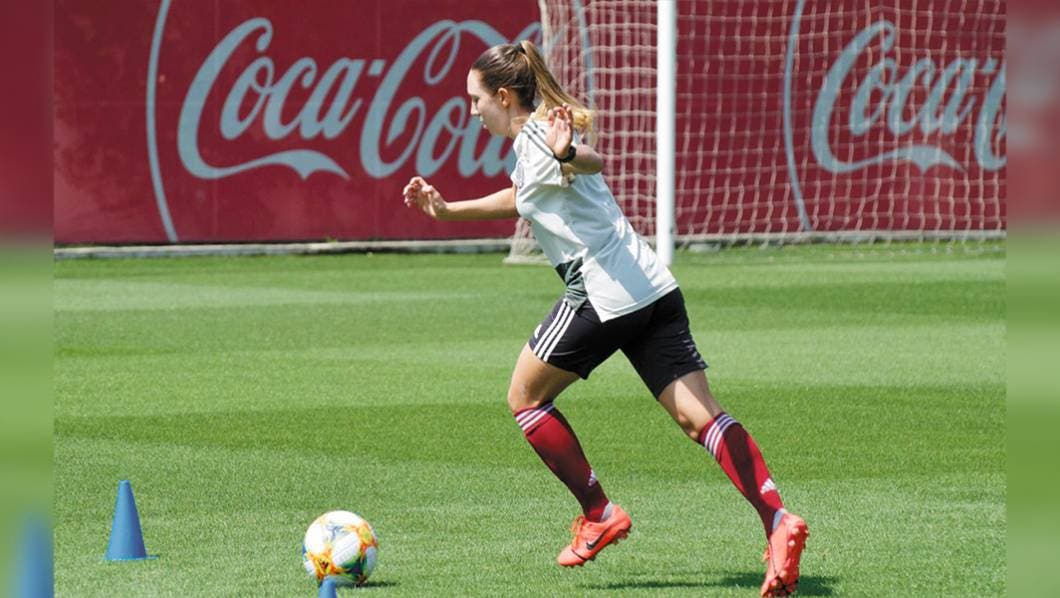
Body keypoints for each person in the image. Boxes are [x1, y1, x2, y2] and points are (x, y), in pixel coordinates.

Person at [402, 40, 808, 597]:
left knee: (525, 398)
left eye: (476, 99)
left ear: (504, 96)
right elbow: (524, 195)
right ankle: (777, 518)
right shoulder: (538, 139)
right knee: (700, 418)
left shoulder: (544, 136)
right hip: (652, 286)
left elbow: (586, 160)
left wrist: (570, 151)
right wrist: (448, 210)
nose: (472, 110)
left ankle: (598, 513)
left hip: (601, 294)